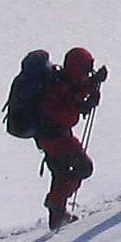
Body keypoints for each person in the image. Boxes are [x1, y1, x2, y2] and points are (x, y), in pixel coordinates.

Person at [36, 46, 106, 230]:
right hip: (56, 138)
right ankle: (55, 202)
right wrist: (84, 105)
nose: (87, 74)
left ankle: (56, 220)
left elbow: (76, 89)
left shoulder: (62, 80)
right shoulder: (60, 86)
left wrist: (92, 84)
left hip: (48, 138)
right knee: (84, 167)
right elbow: (66, 114)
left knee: (60, 175)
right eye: (86, 70)